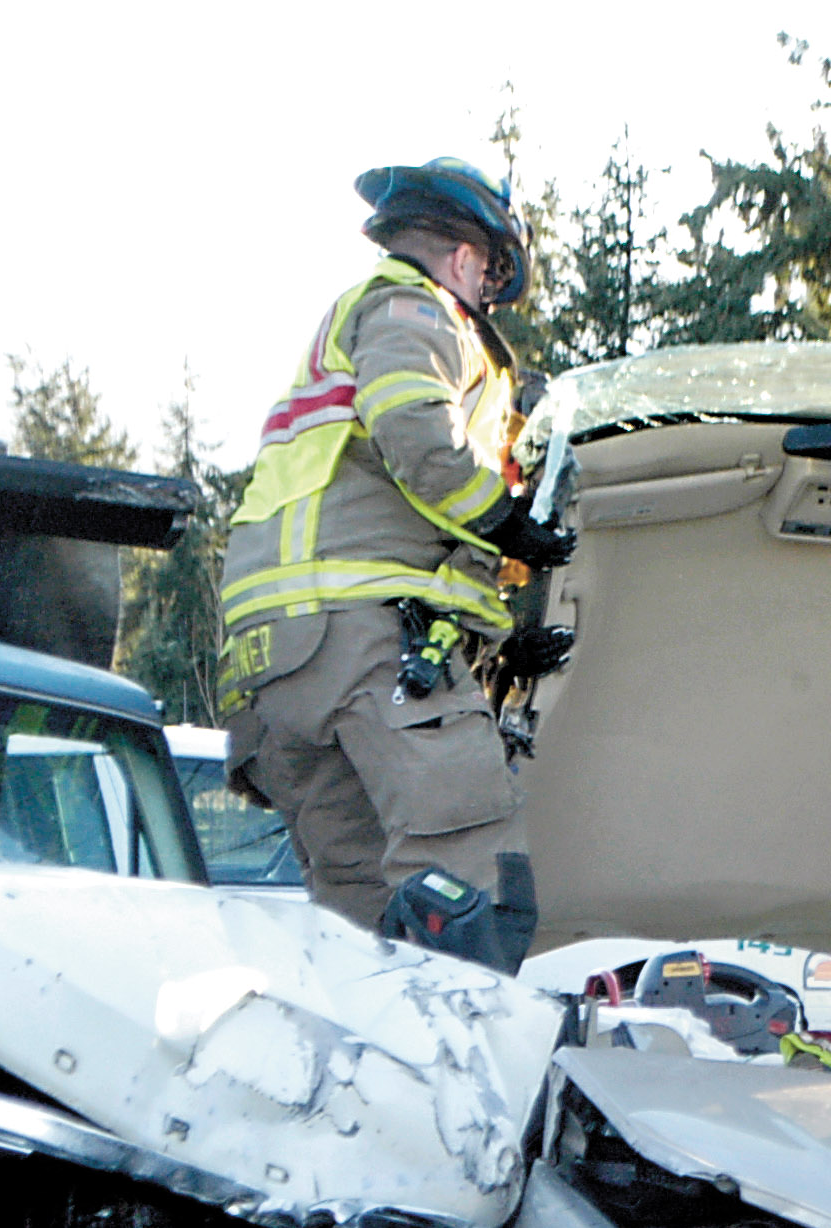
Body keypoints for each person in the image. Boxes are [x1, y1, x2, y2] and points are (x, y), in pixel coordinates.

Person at [214, 157, 576, 972]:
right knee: (470, 877)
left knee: (362, 916)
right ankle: (464, 1086)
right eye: (490, 275)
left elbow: (380, 513)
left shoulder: (347, 329)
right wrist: (510, 520)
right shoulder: (418, 311)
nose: (487, 296)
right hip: (365, 641)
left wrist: (500, 637)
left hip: (276, 664)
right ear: (463, 259)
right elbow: (416, 430)